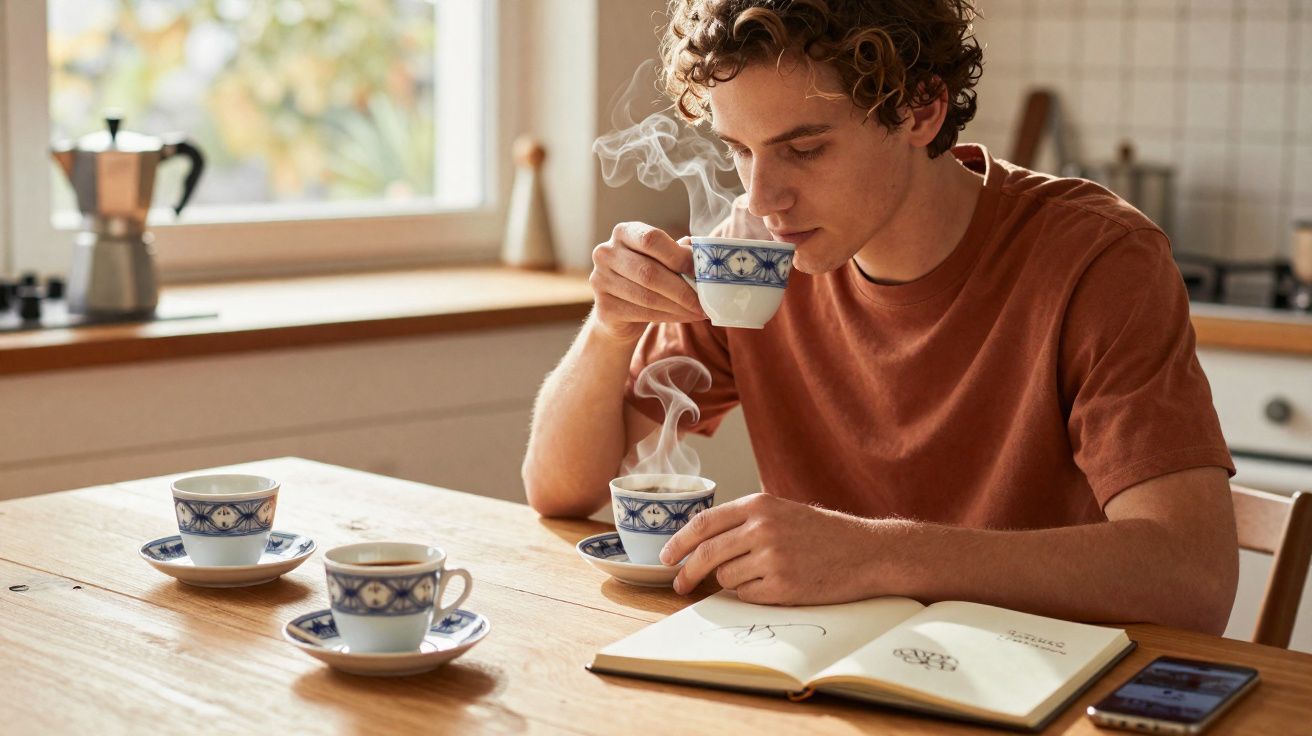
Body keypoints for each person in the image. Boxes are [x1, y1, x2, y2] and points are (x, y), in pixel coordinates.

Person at [522, 0, 1239, 634]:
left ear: (921, 110)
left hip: (1043, 688)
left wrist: (876, 553)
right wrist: (610, 329)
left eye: (804, 149)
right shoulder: (754, 256)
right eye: (740, 150)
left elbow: (1192, 577)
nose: (766, 196)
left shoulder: (1097, 260)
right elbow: (561, 488)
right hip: (829, 679)